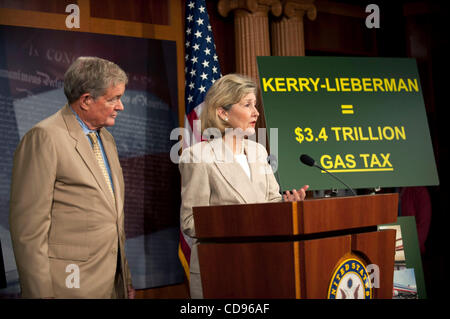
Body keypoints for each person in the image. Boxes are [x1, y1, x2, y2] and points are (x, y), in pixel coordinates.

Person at [9, 57, 135, 299]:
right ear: (86, 100)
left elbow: (112, 219)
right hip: (68, 286)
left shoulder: (106, 139)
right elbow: (28, 231)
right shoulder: (44, 137)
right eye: (113, 99)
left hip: (110, 285)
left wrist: (124, 278)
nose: (121, 107)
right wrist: (40, 295)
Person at [179, 73, 308, 298]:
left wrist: (286, 206)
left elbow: (270, 204)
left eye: (255, 105)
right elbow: (190, 222)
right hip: (223, 270)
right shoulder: (198, 156)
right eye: (247, 105)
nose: (256, 112)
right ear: (222, 112)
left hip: (266, 265)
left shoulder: (259, 151)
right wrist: (241, 221)